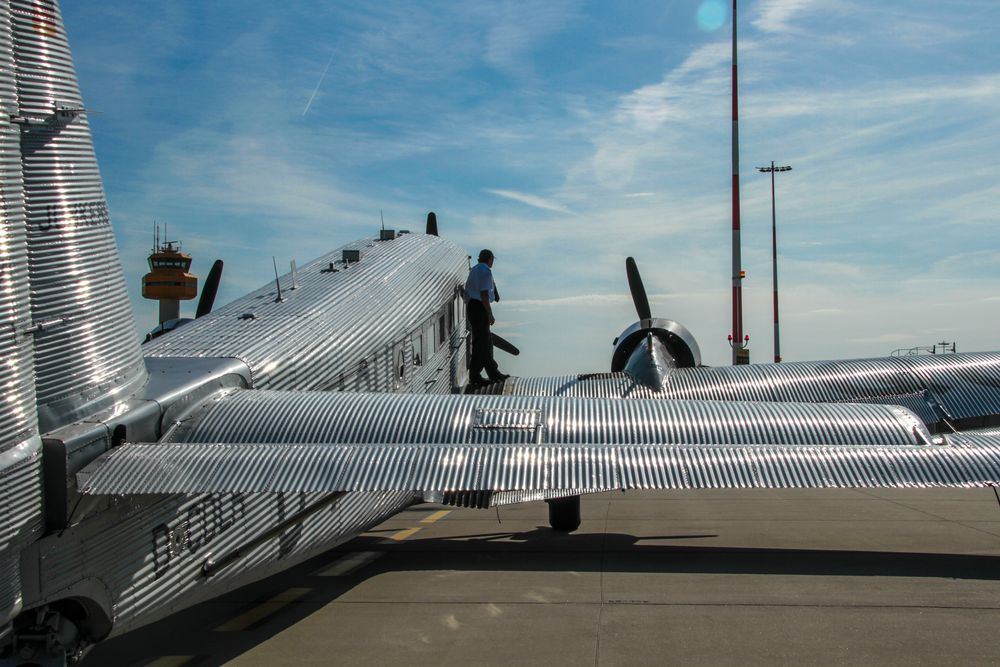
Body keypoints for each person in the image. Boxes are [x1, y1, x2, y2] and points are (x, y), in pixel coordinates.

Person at [465, 249, 508, 385]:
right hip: (479, 308)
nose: (493, 262)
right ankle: (475, 376)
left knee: (486, 341)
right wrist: (489, 314)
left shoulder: (475, 269)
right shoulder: (485, 271)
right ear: (489, 259)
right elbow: (484, 294)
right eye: (492, 259)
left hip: (474, 306)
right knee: (482, 344)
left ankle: (493, 373)